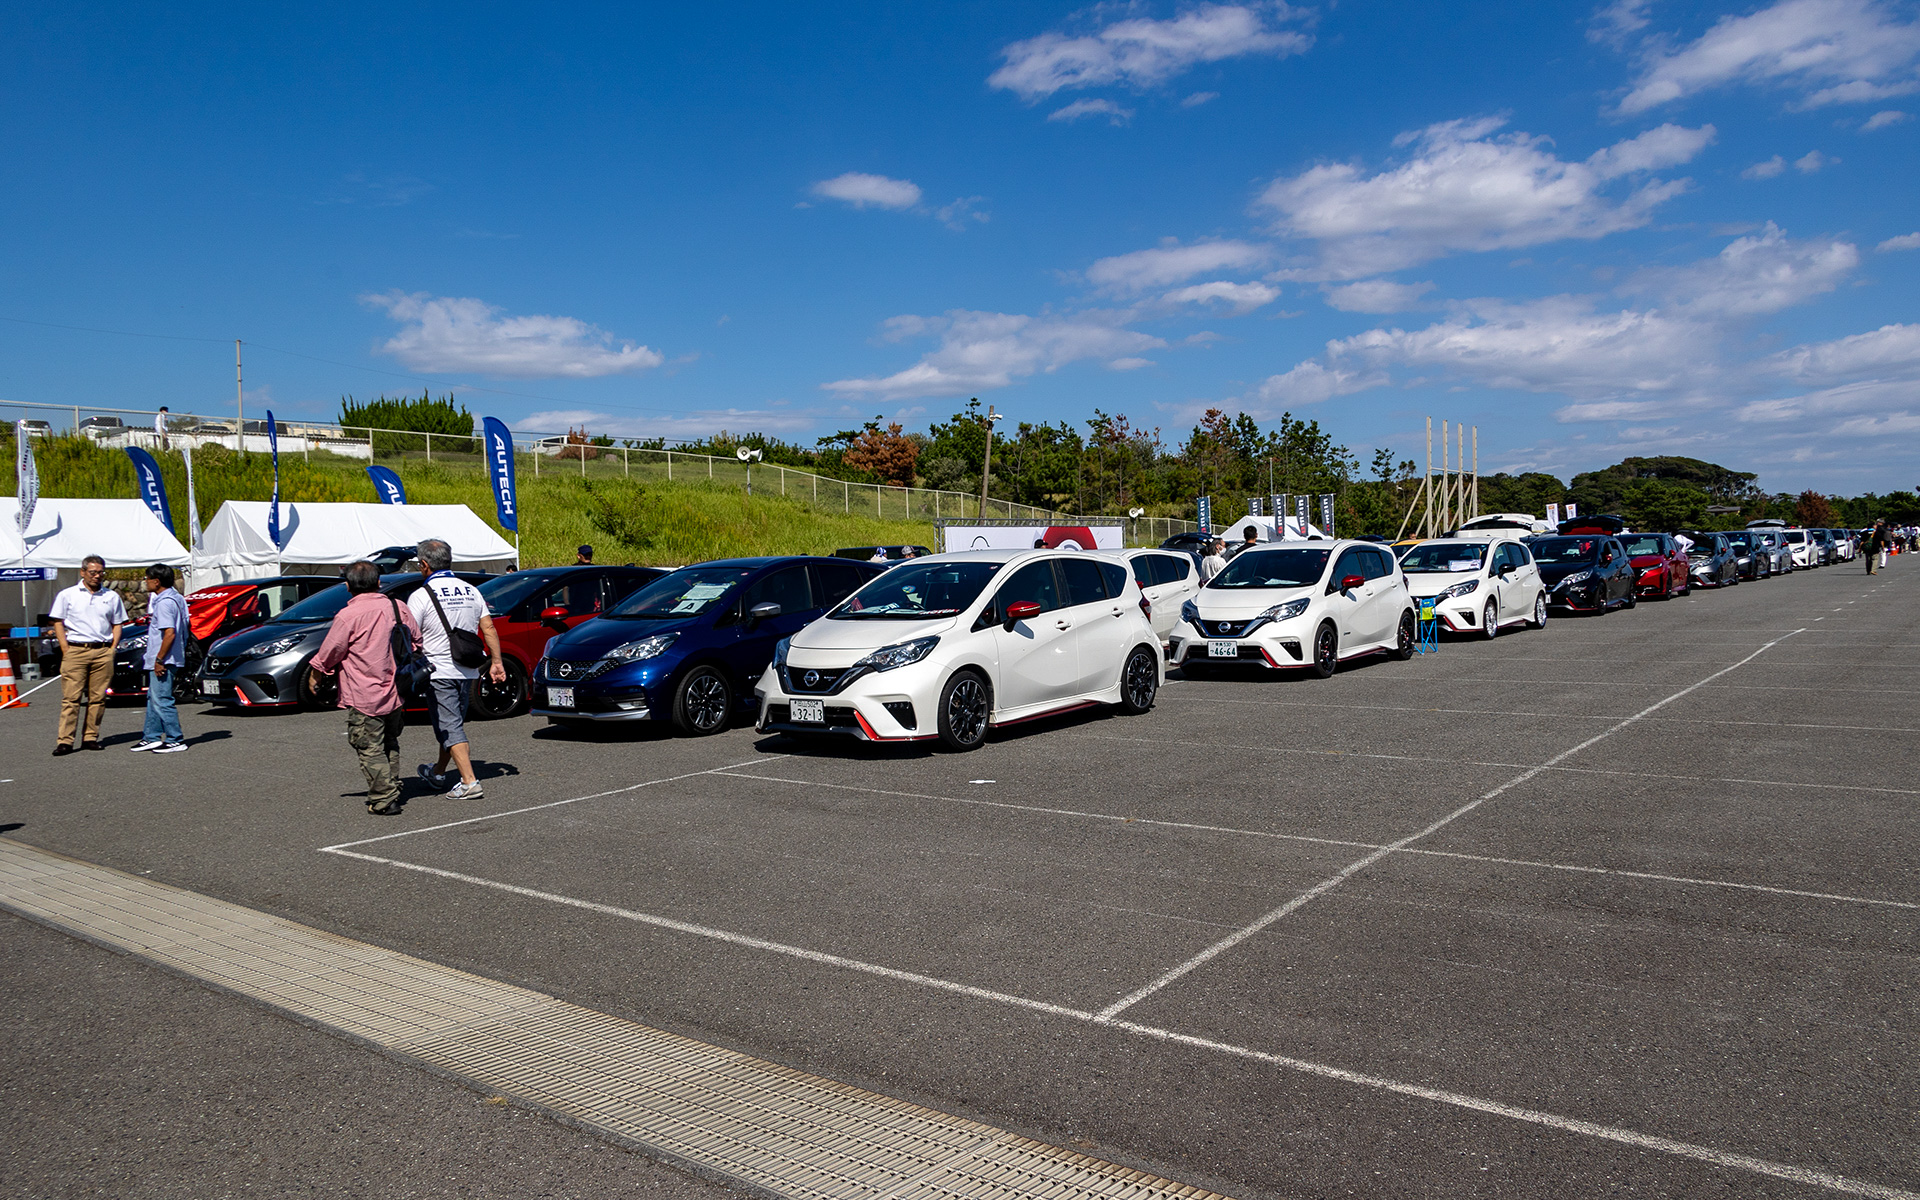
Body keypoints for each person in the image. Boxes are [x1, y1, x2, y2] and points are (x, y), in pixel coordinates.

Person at [309, 560, 421, 816]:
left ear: (347, 586)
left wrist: (316, 675)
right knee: (389, 741)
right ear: (379, 582)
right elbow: (416, 640)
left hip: (364, 694)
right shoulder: (398, 607)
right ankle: (391, 787)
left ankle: (384, 798)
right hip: (396, 689)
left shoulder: (348, 615)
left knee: (369, 746)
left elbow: (329, 653)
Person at [409, 539, 505, 801]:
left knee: (450, 726)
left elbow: (410, 634)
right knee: (452, 724)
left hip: (438, 670)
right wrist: (497, 662)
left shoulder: (421, 595)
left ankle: (469, 781)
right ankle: (438, 772)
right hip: (468, 669)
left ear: (424, 564)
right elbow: (488, 628)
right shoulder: (471, 590)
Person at [49, 555, 126, 755]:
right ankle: (65, 740)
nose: (97, 576)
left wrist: (112, 648)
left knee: (98, 698)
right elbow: (58, 621)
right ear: (82, 572)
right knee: (71, 698)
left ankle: (90, 737)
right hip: (76, 649)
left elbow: (118, 623)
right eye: (92, 572)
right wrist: (65, 648)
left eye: (100, 572)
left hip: (102, 650)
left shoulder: (111, 596)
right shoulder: (68, 595)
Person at [130, 564, 189, 753]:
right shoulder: (177, 598)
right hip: (170, 656)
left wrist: (159, 660)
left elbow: (169, 633)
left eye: (147, 579)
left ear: (157, 581)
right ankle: (151, 736)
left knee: (162, 699)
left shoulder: (164, 603)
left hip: (165, 659)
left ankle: (175, 739)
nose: (145, 582)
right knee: (153, 698)